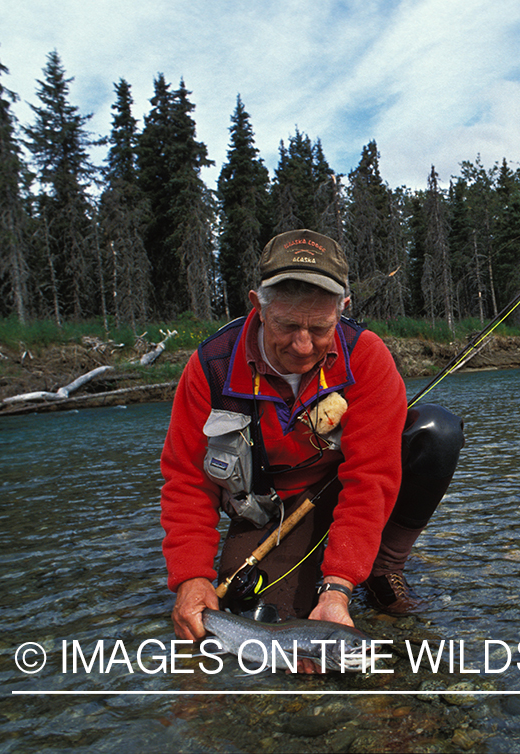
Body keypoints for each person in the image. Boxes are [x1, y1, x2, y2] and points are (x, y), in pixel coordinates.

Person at [160, 229, 463, 645]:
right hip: (270, 512)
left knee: (436, 431)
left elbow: (370, 478)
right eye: (287, 325)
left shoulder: (367, 357)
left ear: (343, 309)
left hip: (340, 491)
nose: (303, 346)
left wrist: (337, 587)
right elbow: (187, 482)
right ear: (258, 307)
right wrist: (191, 577)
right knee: (255, 624)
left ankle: (382, 566)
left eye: (320, 328)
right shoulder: (211, 367)